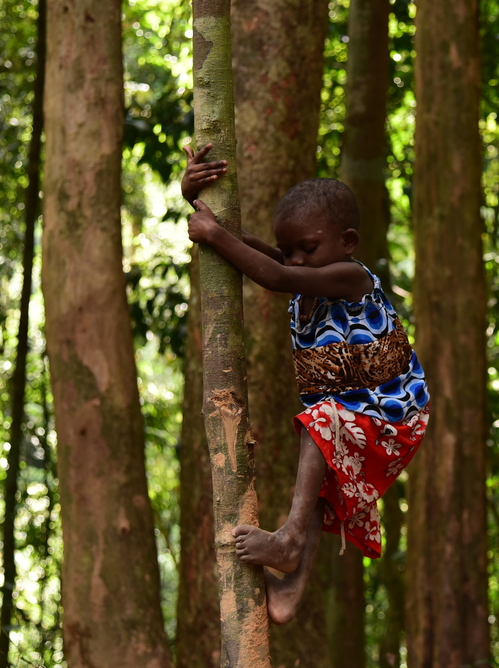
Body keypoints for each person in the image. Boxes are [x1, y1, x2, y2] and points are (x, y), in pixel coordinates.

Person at [181, 143, 430, 625]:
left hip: (391, 415)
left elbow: (272, 273)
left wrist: (214, 236)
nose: (296, 260)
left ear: (349, 242)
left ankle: (290, 540)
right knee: (316, 483)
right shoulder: (306, 275)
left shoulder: (350, 278)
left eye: (307, 249)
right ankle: (290, 592)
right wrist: (196, 204)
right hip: (352, 416)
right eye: (290, 249)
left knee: (322, 421)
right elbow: (263, 254)